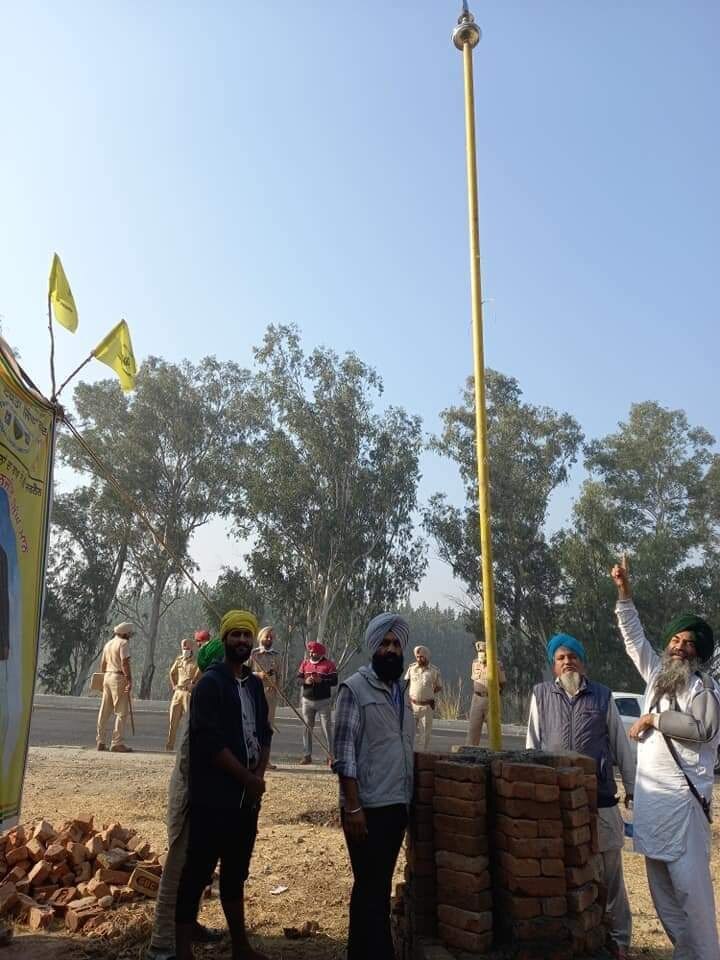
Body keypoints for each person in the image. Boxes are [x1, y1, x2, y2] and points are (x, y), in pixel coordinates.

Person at [612, 562, 720, 960]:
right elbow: (633, 637)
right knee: (664, 898)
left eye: (688, 643)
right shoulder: (656, 676)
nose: (678, 646)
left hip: (685, 809)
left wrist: (653, 718)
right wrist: (625, 593)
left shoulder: (704, 687)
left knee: (693, 898)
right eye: (675, 640)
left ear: (698, 653)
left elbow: (702, 729)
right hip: (653, 808)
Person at [526, 633, 635, 959]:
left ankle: (619, 941)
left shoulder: (602, 696)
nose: (567, 661)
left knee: (609, 874)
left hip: (600, 798)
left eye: (572, 656)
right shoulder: (541, 695)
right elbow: (532, 746)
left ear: (582, 661)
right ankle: (577, 936)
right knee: (566, 871)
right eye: (560, 658)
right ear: (553, 665)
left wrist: (632, 788)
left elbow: (620, 746)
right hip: (556, 800)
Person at [174, 610, 272, 960]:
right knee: (197, 872)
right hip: (214, 797)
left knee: (235, 872)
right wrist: (247, 777)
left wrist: (258, 776)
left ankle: (241, 946)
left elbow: (265, 733)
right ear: (224, 639)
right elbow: (209, 743)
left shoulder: (256, 684)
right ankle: (182, 951)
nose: (243, 642)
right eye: (236, 636)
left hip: (246, 799)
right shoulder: (210, 684)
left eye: (247, 636)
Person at [332, 612, 414, 960]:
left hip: (396, 802)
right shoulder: (355, 688)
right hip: (365, 807)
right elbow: (344, 751)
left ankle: (364, 951)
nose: (391, 649)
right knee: (370, 886)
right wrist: (353, 806)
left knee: (375, 887)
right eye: (384, 643)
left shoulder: (401, 691)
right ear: (372, 647)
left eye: (396, 644)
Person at [145, 636, 227, 960]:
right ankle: (161, 944)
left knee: (200, 868)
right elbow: (190, 761)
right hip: (192, 796)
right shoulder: (206, 699)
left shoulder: (222, 696)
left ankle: (188, 924)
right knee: (177, 869)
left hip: (210, 797)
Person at [96, 621, 135, 753]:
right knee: (121, 712)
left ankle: (100, 741)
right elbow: (125, 662)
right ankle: (117, 742)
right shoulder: (123, 643)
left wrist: (103, 677)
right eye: (129, 633)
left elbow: (102, 663)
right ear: (126, 634)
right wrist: (129, 679)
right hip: (118, 677)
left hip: (107, 676)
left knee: (104, 711)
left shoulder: (108, 644)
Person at [297, 641, 337, 764]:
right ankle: (307, 755)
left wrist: (322, 680)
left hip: (324, 701)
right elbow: (298, 680)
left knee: (326, 729)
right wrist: (305, 681)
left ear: (320, 653)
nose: (311, 653)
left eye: (313, 651)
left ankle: (330, 756)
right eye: (310, 651)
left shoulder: (329, 665)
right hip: (307, 701)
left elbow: (334, 681)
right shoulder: (305, 663)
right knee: (307, 728)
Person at [466, 640, 506, 745]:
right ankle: (470, 753)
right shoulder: (475, 663)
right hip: (477, 699)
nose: (481, 654)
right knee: (473, 729)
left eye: (483, 652)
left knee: (493, 731)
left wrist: (496, 695)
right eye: (479, 652)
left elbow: (502, 682)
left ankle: (494, 753)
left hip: (491, 699)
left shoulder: (496, 664)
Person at [404, 645, 442, 752]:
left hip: (426, 708)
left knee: (424, 736)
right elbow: (405, 683)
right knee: (407, 733)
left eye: (421, 657)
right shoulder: (412, 668)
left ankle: (421, 757)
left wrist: (428, 694)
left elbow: (439, 686)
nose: (419, 659)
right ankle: (407, 755)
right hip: (412, 706)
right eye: (417, 657)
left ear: (427, 657)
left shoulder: (434, 671)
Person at [166, 639, 200, 752]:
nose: (185, 649)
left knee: (190, 720)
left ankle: (190, 746)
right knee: (173, 720)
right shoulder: (179, 659)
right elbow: (171, 673)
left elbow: (200, 674)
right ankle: (169, 746)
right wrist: (174, 685)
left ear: (192, 648)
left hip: (188, 693)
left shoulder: (197, 661)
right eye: (183, 648)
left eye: (187, 648)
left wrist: (193, 684)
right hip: (178, 692)